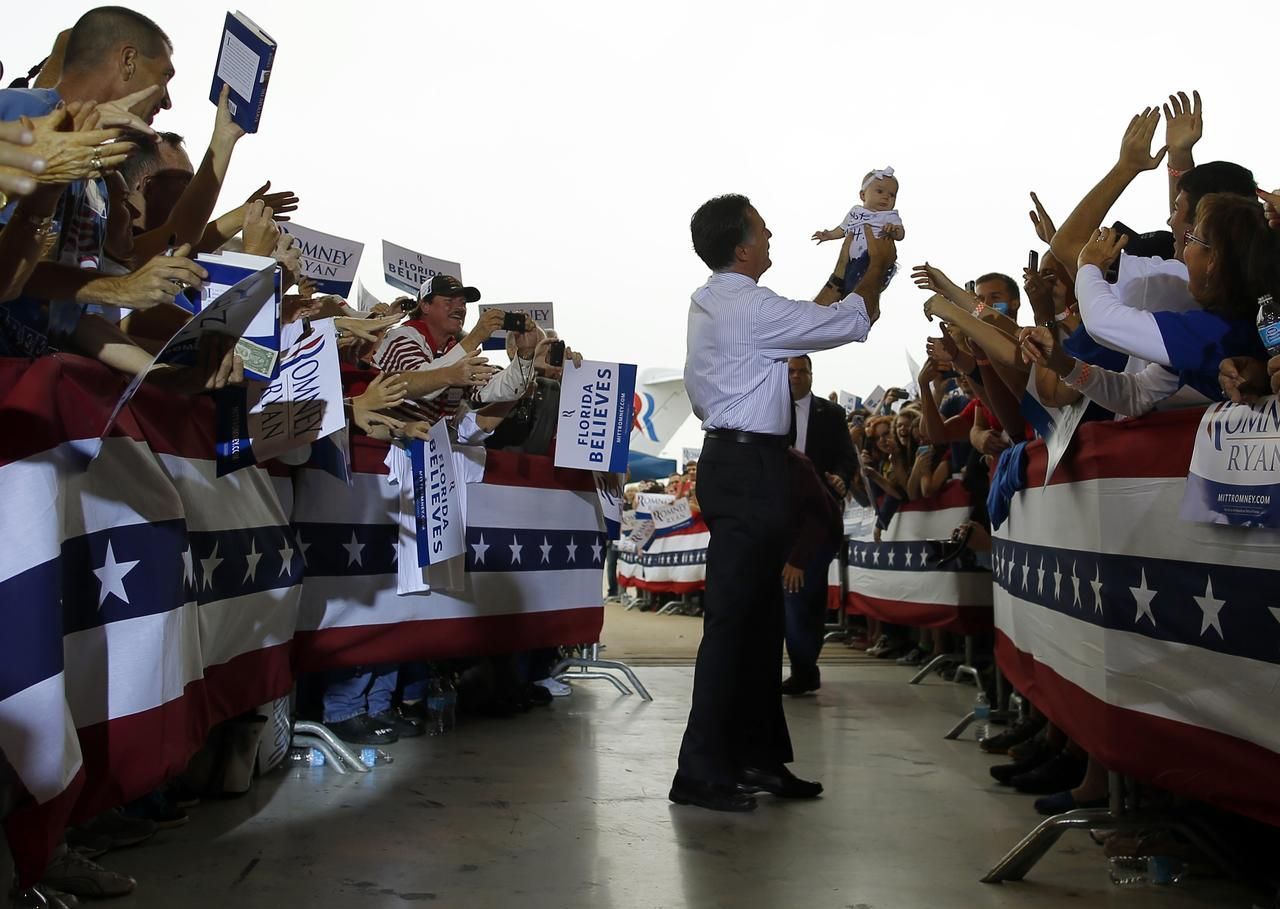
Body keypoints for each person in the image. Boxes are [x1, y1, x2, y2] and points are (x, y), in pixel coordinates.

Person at [673, 193, 895, 812]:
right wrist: (874, 266)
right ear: (742, 247)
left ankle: (757, 758)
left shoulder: (728, 300)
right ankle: (701, 769)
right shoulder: (745, 305)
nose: (771, 237)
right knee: (732, 624)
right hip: (748, 468)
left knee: (759, 621)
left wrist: (843, 272)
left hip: (750, 465)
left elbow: (806, 315)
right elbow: (846, 323)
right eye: (763, 231)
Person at [781, 354, 858, 695]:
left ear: (812, 375)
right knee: (789, 599)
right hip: (778, 518)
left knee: (802, 596)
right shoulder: (766, 409)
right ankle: (801, 665)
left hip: (819, 518)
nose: (796, 377)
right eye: (791, 371)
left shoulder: (832, 414)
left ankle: (803, 667)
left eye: (802, 371)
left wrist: (841, 478)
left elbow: (847, 457)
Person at [811, 166, 905, 295]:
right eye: (879, 191)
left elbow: (900, 234)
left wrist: (893, 231)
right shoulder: (855, 211)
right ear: (862, 195)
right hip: (852, 259)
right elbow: (843, 228)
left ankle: (861, 302)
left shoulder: (890, 216)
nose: (886, 197)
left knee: (858, 287)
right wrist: (829, 235)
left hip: (873, 258)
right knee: (847, 283)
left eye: (892, 195)